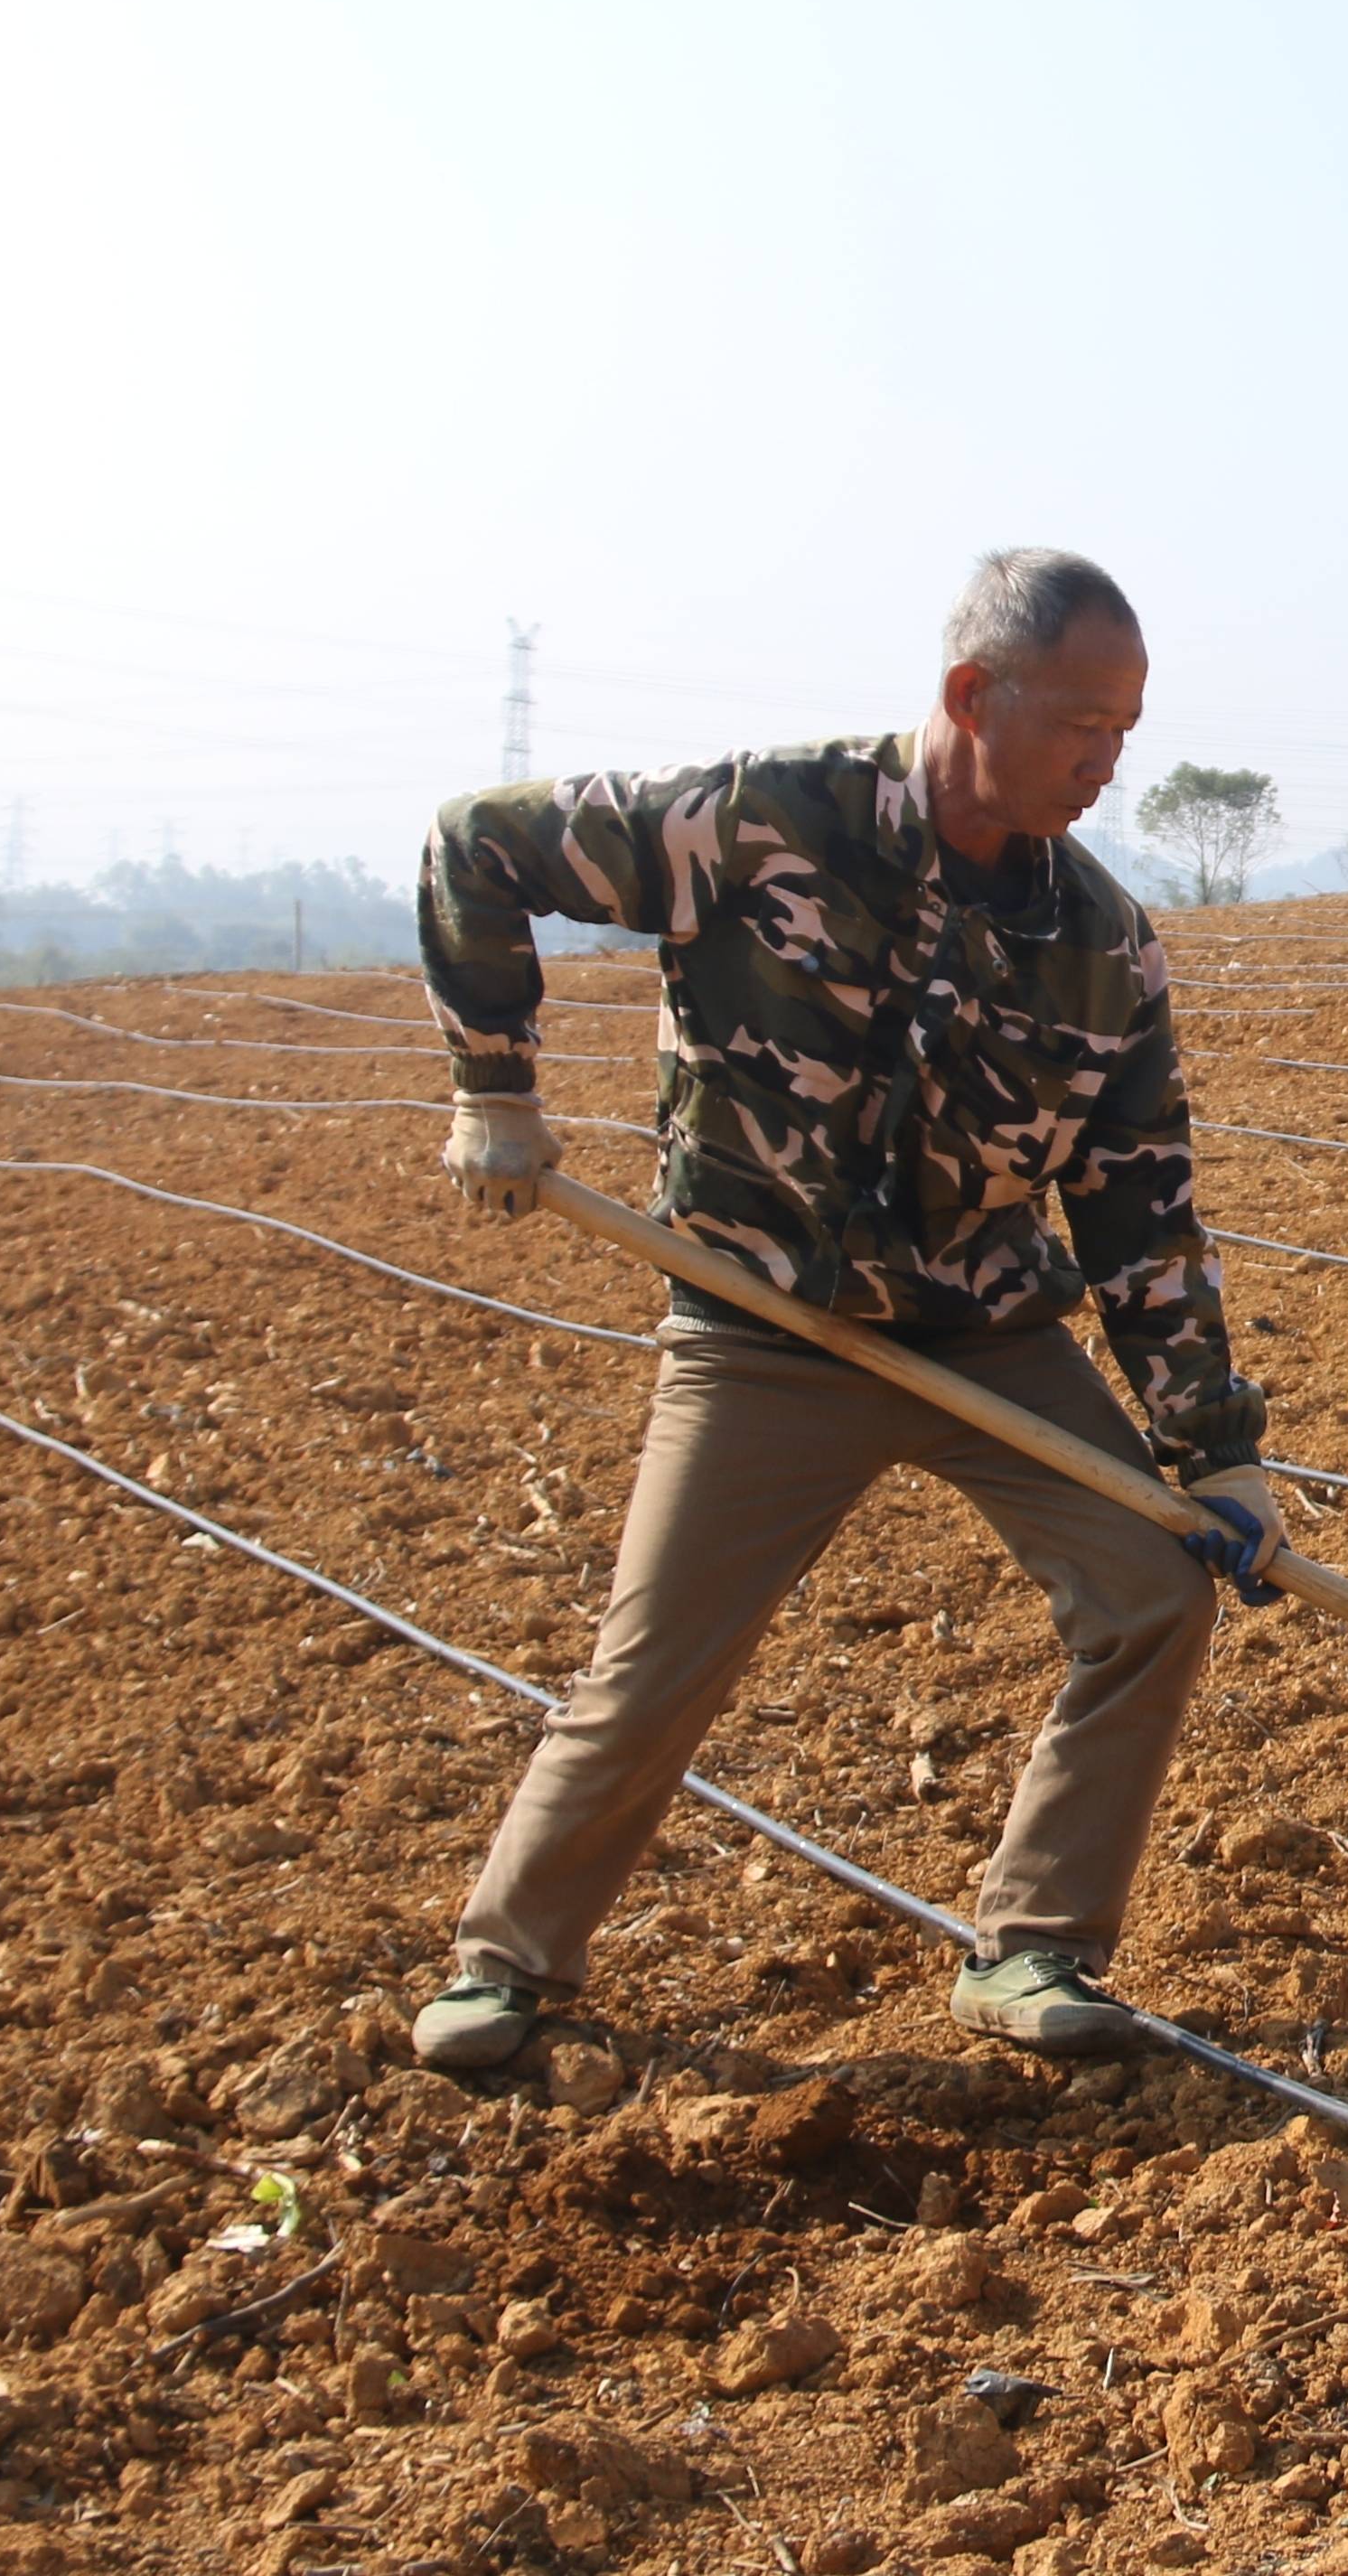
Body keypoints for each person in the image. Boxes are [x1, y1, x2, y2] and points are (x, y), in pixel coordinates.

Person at [408, 548, 1284, 2066]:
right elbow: (476, 845)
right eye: (1082, 720)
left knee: (1151, 1591)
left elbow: (1140, 1202)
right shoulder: (760, 825)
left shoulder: (1103, 947)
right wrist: (495, 1083)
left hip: (986, 1333)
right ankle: (509, 1965)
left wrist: (1213, 1446)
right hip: (764, 1329)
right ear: (971, 693)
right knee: (661, 1655)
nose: (1107, 759)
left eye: (1127, 728)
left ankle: (1036, 1949)